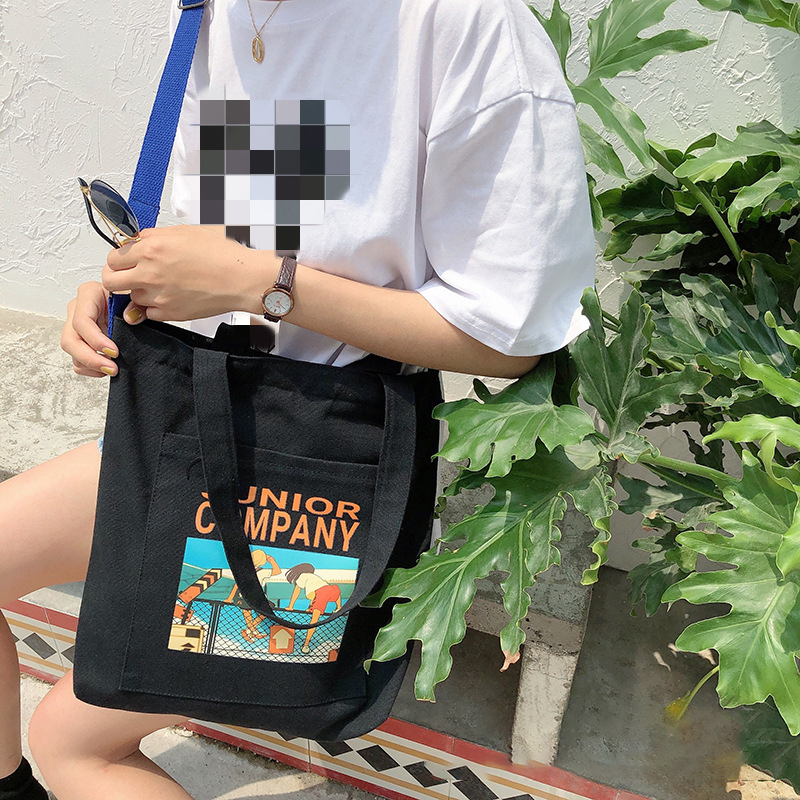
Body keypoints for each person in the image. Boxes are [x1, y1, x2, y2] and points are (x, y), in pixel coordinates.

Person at [0, 0, 596, 796]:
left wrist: (265, 284)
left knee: (73, 741)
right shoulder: (215, 13)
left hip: (311, 481)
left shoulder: (461, 24)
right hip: (191, 424)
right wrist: (134, 289)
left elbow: (509, 338)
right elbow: (263, 216)